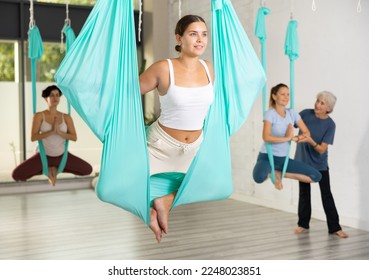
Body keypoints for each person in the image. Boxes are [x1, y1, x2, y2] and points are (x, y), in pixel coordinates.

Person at [139, 15, 214, 242]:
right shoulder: (163, 68)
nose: (200, 39)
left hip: (194, 150)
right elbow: (127, 95)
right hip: (159, 146)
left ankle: (164, 202)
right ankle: (153, 210)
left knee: (212, 185)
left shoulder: (209, 68)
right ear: (179, 38)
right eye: (193, 34)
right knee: (132, 190)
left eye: (204, 34)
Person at [12, 85, 93, 186]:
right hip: (43, 156)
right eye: (52, 95)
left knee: (87, 170)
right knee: (17, 175)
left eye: (57, 95)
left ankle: (55, 168)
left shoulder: (66, 117)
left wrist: (59, 132)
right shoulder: (39, 116)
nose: (55, 98)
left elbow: (74, 137)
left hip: (62, 156)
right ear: (46, 98)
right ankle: (47, 169)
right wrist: (51, 131)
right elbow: (33, 137)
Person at [293, 91, 348, 238]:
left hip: (319, 164)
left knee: (326, 194)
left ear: (328, 108)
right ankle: (303, 224)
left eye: (322, 103)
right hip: (302, 162)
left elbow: (322, 149)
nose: (317, 104)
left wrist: (309, 140)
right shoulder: (305, 114)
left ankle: (335, 227)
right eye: (317, 100)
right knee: (304, 193)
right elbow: (288, 122)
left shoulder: (330, 125)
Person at [252, 83, 322, 190]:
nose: (286, 97)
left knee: (316, 176)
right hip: (267, 157)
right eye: (283, 94)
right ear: (274, 96)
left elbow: (307, 133)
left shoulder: (292, 113)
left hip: (283, 160)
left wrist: (296, 138)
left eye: (288, 94)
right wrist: (287, 138)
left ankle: (278, 172)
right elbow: (266, 137)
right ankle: (272, 172)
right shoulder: (270, 114)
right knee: (259, 178)